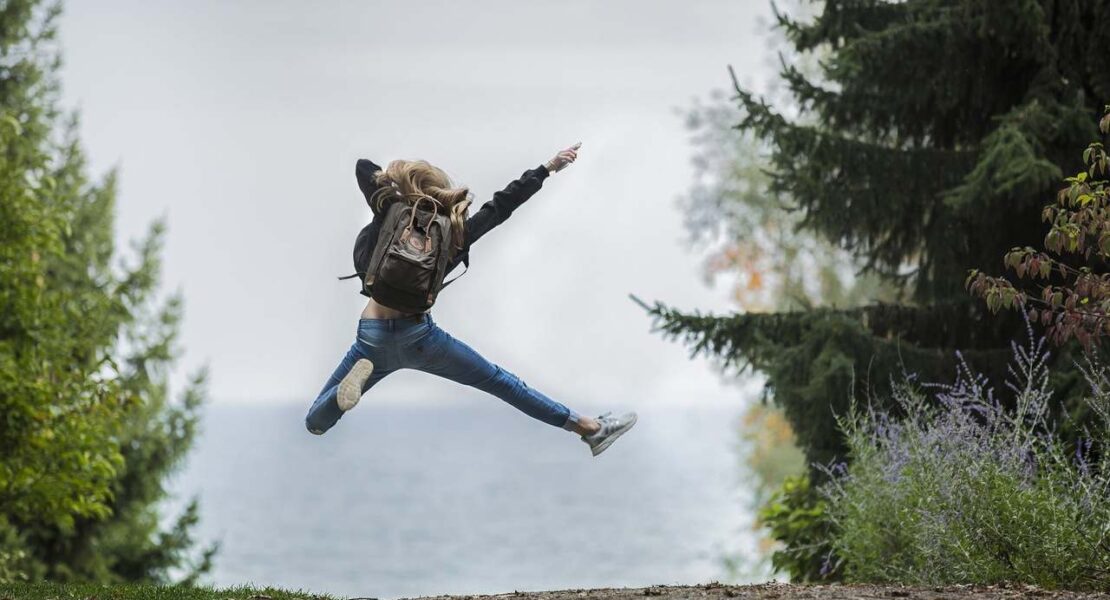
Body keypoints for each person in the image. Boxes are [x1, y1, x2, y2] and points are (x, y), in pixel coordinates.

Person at [305, 143, 637, 457]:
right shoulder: (453, 233)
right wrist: (547, 168)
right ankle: (589, 429)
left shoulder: (390, 210)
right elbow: (501, 207)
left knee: (315, 423)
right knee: (502, 383)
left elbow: (364, 167)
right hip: (420, 338)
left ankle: (339, 397)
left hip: (372, 338)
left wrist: (398, 187)